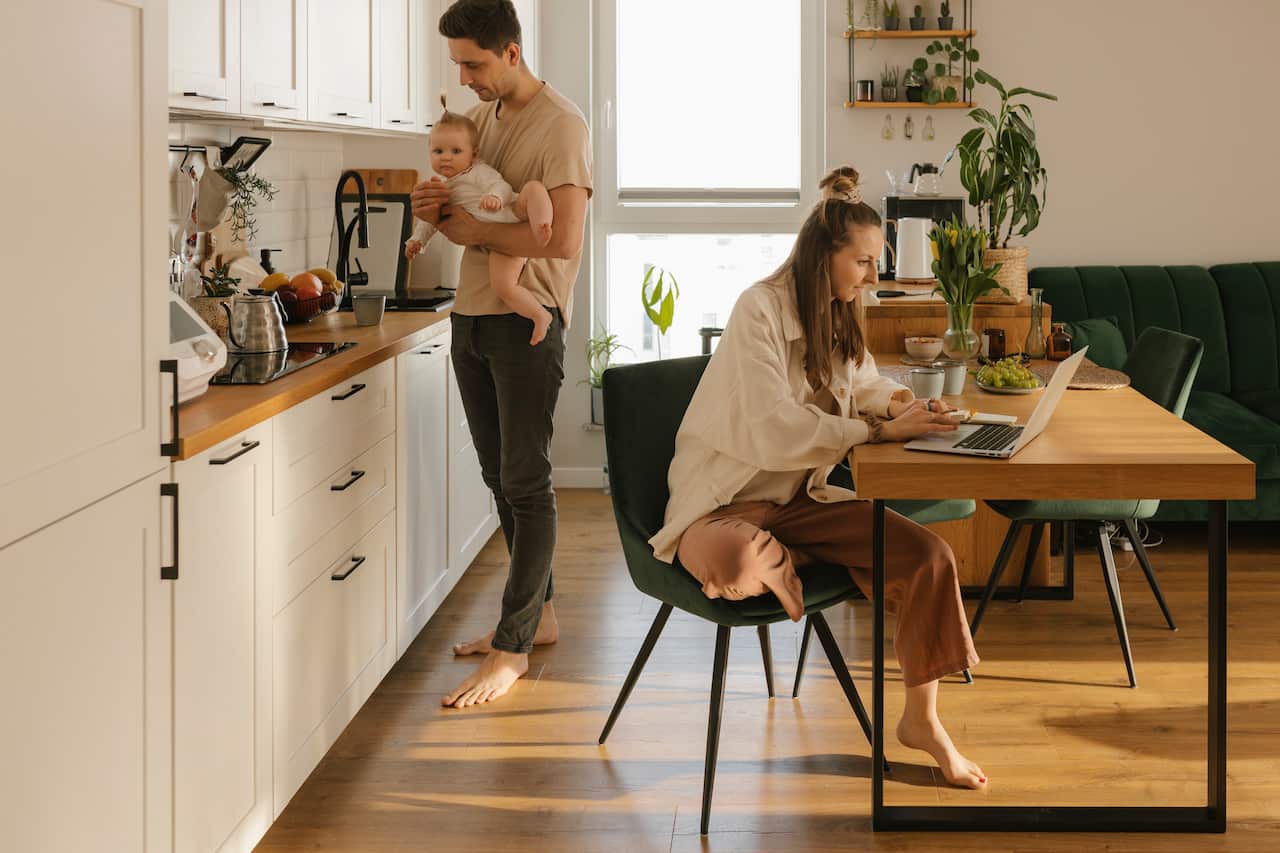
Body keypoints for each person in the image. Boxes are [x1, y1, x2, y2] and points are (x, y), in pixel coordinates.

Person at [649, 166, 988, 789]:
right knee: (734, 565)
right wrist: (875, 433)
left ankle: (923, 721)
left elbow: (862, 382)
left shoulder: (837, 311)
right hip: (723, 506)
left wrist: (899, 407)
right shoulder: (758, 308)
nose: (872, 276)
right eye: (863, 262)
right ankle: (804, 554)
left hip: (796, 503)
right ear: (824, 255)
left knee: (930, 555)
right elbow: (774, 425)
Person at [411, 0, 592, 709]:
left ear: (511, 53)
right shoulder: (481, 121)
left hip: (528, 322)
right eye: (458, 64)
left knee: (526, 480)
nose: (465, 77)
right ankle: (536, 614)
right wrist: (437, 209)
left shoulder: (563, 126)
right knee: (497, 474)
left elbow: (562, 241)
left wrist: (465, 230)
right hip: (473, 316)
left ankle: (512, 646)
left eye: (474, 63)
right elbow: (469, 207)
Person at [405, 98, 556, 345]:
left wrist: (495, 197)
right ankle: (539, 315)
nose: (446, 158)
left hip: (512, 212)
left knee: (534, 189)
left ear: (473, 154)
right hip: (501, 243)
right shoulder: (444, 187)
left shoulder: (476, 171)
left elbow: (501, 185)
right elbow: (429, 222)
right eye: (438, 151)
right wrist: (417, 240)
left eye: (455, 152)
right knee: (503, 286)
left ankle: (542, 225)